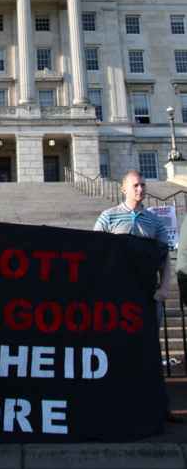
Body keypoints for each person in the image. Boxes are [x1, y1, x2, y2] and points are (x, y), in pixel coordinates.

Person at [94, 169, 182, 423]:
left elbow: (165, 258)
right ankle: (113, 405)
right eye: (135, 186)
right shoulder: (108, 217)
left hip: (147, 296)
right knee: (115, 348)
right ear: (123, 188)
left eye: (143, 185)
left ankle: (156, 406)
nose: (141, 190)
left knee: (150, 351)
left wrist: (165, 287)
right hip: (118, 297)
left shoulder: (155, 222)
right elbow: (96, 255)